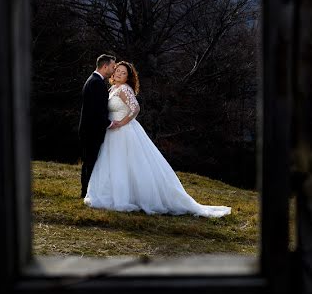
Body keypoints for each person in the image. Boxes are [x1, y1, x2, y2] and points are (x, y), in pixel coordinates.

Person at [83, 61, 232, 217]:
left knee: (127, 164)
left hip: (124, 132)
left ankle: (131, 197)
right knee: (115, 164)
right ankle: (113, 195)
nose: (119, 74)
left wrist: (121, 122)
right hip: (112, 133)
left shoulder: (125, 89)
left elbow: (135, 108)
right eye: (118, 71)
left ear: (128, 78)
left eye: (123, 73)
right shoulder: (113, 88)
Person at [78, 54, 117, 199]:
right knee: (90, 162)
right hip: (91, 130)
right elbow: (96, 109)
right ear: (105, 66)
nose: (114, 70)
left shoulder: (95, 80)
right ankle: (86, 193)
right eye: (113, 67)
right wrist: (109, 123)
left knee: (89, 161)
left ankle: (86, 192)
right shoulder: (96, 83)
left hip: (89, 129)